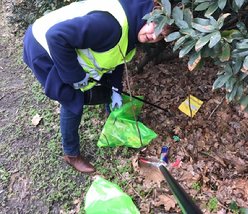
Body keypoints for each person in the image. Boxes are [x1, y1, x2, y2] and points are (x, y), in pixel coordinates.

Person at [23, 0, 169, 173]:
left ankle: (113, 113)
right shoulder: (109, 26)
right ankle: (71, 154)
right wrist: (76, 77)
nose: (154, 37)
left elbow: (116, 58)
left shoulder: (132, 27)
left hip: (62, 44)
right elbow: (55, 37)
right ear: (149, 15)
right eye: (156, 27)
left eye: (160, 36)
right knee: (72, 99)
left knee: (103, 87)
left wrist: (115, 89)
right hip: (42, 46)